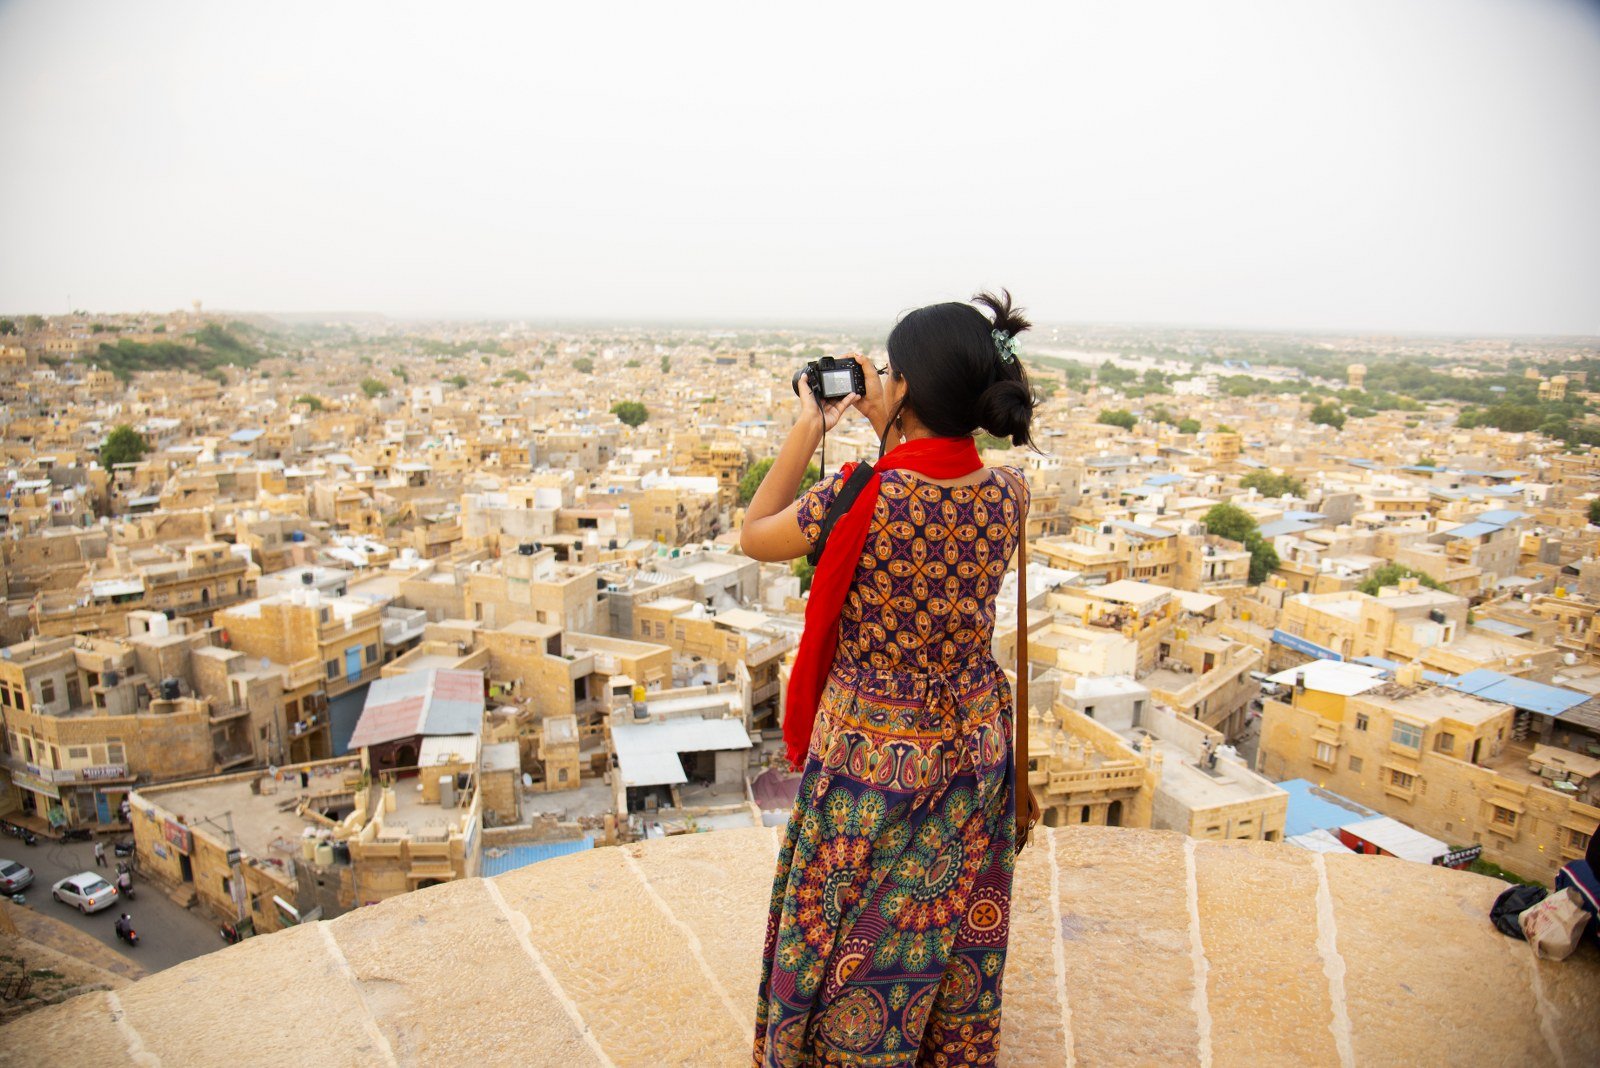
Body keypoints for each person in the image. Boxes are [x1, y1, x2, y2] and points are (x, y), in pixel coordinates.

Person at [742, 291, 1040, 1066]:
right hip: (974, 742)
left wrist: (809, 426)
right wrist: (895, 422)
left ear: (900, 387)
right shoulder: (1010, 494)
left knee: (847, 923)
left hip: (874, 756)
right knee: (945, 917)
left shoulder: (858, 497)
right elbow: (935, 480)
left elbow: (754, 535)